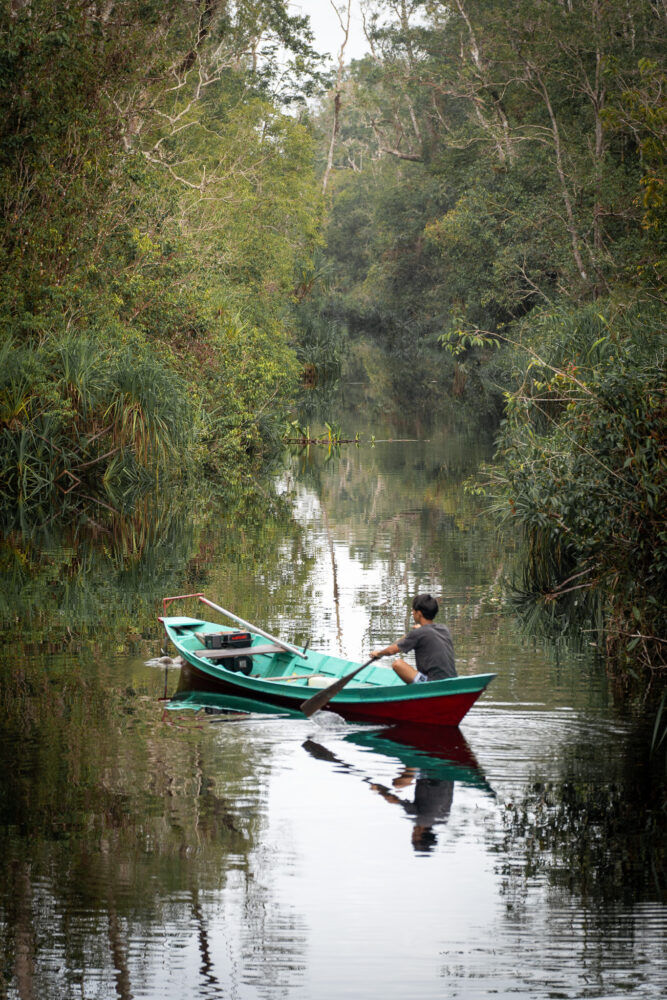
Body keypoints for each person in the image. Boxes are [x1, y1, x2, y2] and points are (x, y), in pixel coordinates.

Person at [371, 593, 456, 683]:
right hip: (452, 681)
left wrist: (379, 653)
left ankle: (422, 688)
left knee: (397, 664)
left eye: (413, 611)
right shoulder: (444, 629)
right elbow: (426, 632)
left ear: (418, 613)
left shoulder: (418, 633)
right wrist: (418, 630)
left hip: (433, 683)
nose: (412, 613)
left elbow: (391, 651)